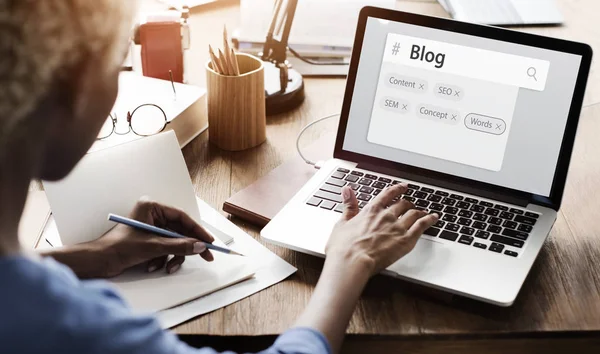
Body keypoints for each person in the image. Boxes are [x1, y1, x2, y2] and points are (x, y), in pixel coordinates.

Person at [0, 1, 438, 353]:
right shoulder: (76, 327)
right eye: (117, 67)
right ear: (68, 91)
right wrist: (349, 261)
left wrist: (96, 255)